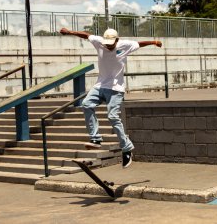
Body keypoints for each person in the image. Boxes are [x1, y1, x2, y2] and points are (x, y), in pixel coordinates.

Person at [60, 27, 162, 168]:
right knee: (86, 104)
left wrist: (154, 42)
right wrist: (70, 32)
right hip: (100, 86)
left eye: (111, 44)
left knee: (113, 117)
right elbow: (86, 35)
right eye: (107, 44)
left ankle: (126, 149)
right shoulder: (99, 41)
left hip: (116, 89)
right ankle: (95, 139)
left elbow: (140, 43)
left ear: (117, 40)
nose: (108, 46)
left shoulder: (125, 45)